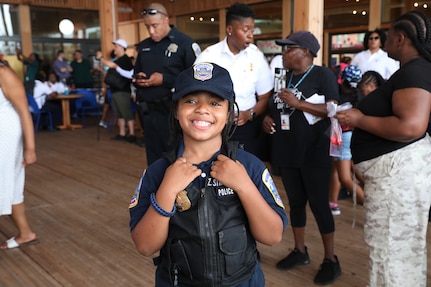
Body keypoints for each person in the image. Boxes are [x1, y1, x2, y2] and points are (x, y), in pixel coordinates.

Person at [129, 62, 287, 286]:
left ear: (230, 113)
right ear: (176, 110)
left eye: (214, 103)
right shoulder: (158, 172)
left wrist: (244, 186)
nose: (202, 110)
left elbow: (272, 237)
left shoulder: (249, 166)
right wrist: (167, 190)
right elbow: (145, 246)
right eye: (191, 101)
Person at [335, 11, 431, 287]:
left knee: (391, 250)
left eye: (388, 35)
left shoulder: (416, 70)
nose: (385, 39)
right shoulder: (412, 70)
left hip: (398, 177)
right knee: (399, 249)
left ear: (400, 38)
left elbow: (411, 127)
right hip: (397, 174)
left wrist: (360, 119)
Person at [262, 30, 341, 285]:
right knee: (295, 203)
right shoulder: (283, 77)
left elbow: (334, 110)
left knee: (319, 204)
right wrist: (267, 118)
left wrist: (299, 104)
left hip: (315, 151)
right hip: (287, 149)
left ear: (305, 52)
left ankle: (330, 259)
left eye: (288, 49)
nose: (283, 54)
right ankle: (300, 250)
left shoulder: (322, 74)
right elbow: (275, 107)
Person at [194, 3, 273, 158]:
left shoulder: (256, 56)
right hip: (214, 126)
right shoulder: (208, 56)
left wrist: (249, 114)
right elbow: (196, 95)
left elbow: (265, 96)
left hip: (247, 128)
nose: (251, 35)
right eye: (245, 30)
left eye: (252, 30)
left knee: (246, 171)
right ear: (229, 29)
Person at [133, 2, 201, 165]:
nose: (151, 31)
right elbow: (135, 74)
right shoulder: (144, 46)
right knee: (154, 159)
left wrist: (165, 79)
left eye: (154, 26)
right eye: (147, 27)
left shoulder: (185, 43)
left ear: (165, 20)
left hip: (173, 112)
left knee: (177, 158)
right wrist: (139, 79)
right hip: (149, 111)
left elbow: (196, 78)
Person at [0, 59, 38, 250]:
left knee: (7, 183)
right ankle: (25, 233)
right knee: (11, 187)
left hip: (5, 136)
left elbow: (24, 110)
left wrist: (30, 148)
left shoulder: (4, 73)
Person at [328, 65, 365, 216]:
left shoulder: (337, 96)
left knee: (345, 177)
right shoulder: (360, 97)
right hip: (347, 136)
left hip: (341, 137)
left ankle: (373, 207)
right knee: (337, 169)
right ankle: (333, 202)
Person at [108, 39, 135, 143]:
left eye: (116, 46)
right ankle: (122, 133)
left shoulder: (125, 60)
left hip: (122, 91)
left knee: (126, 112)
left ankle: (131, 134)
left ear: (121, 47)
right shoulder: (119, 60)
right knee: (119, 113)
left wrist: (101, 58)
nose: (114, 48)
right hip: (116, 90)